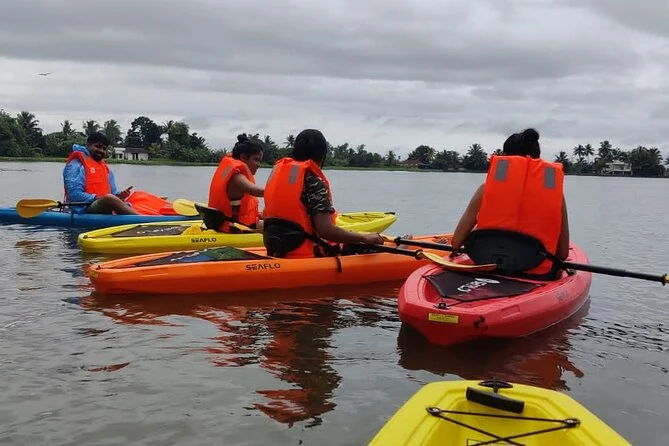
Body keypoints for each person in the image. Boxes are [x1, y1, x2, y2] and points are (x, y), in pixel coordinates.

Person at [450, 128, 570, 279]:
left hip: (487, 267)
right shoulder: (557, 195)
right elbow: (563, 253)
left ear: (505, 158)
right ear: (538, 159)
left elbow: (456, 243)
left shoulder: (486, 189)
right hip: (536, 273)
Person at [262, 129, 384, 258]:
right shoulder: (314, 182)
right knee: (364, 248)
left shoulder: (277, 176)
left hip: (278, 248)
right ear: (322, 156)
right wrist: (363, 237)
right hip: (308, 255)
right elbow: (326, 231)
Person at [63, 132, 138, 215]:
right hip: (83, 209)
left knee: (120, 198)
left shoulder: (105, 169)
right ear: (88, 145)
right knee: (109, 199)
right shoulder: (75, 165)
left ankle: (142, 218)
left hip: (103, 204)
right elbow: (74, 195)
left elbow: (113, 193)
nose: (101, 151)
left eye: (104, 148)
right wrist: (99, 198)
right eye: (98, 146)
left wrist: (120, 196)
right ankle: (144, 221)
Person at [207, 134, 265, 232]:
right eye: (256, 160)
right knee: (280, 226)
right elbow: (253, 190)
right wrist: (279, 191)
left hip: (225, 223)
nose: (259, 165)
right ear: (243, 157)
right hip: (235, 228)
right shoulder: (237, 177)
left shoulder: (231, 170)